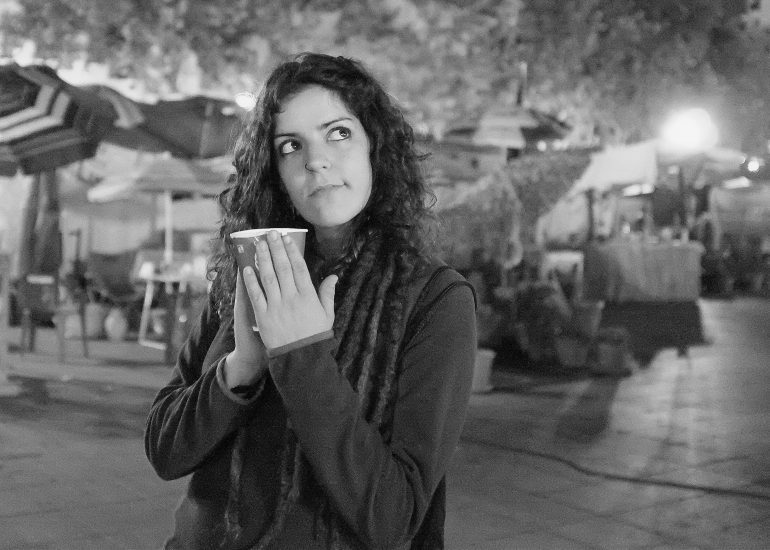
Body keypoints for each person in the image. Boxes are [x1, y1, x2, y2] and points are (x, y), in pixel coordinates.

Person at [144, 52, 477, 550]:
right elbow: (165, 451)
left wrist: (301, 357)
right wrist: (241, 368)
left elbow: (394, 519)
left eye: (338, 133)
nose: (315, 160)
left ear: (375, 148)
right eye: (290, 145)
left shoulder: (434, 301)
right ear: (275, 171)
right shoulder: (248, 272)